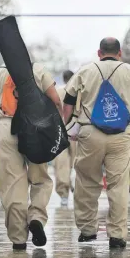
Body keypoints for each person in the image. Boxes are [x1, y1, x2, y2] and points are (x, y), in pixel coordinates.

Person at [62, 37, 130, 249]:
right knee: (118, 184)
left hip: (90, 133)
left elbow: (68, 99)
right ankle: (117, 234)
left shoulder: (86, 71)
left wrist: (66, 123)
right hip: (121, 135)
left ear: (99, 53)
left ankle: (87, 230)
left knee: (86, 181)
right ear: (119, 53)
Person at [0, 62, 62, 251]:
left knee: (13, 185)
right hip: (36, 127)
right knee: (41, 179)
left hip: (6, 128)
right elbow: (56, 101)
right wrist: (54, 129)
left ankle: (18, 238)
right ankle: (36, 218)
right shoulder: (38, 71)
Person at [54, 70, 77, 206]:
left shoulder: (57, 91)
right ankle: (76, 186)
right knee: (77, 161)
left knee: (62, 163)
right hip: (75, 129)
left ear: (63, 78)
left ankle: (63, 193)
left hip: (60, 130)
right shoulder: (79, 91)